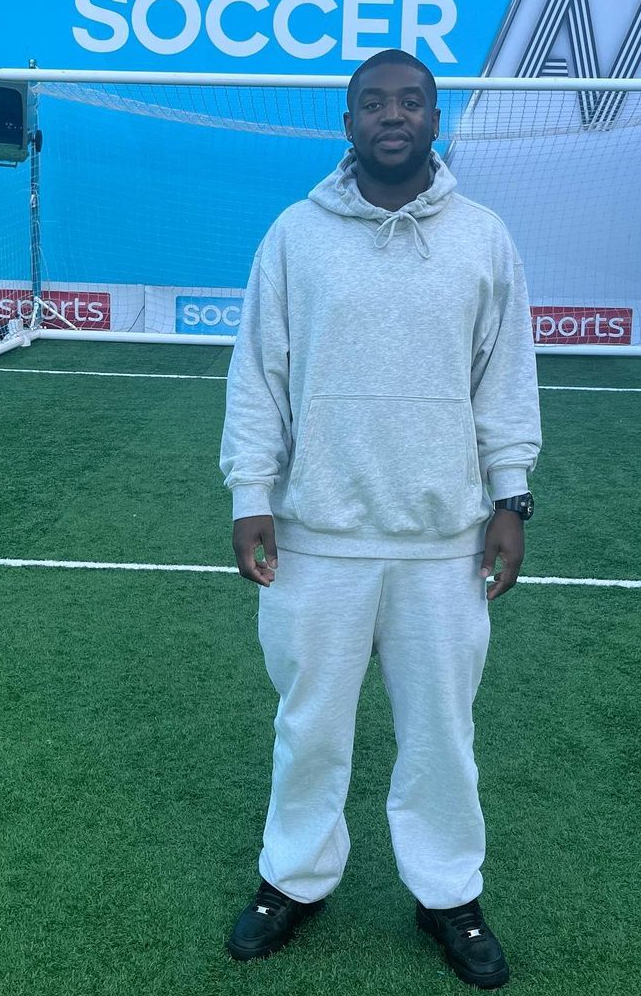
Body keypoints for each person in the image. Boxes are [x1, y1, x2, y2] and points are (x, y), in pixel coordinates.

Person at [218, 48, 542, 990]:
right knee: (309, 727)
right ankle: (293, 878)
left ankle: (448, 894)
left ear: (436, 118)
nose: (391, 116)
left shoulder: (484, 237)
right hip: (316, 539)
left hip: (445, 544)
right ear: (347, 122)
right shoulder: (294, 235)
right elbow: (259, 374)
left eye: (410, 102)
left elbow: (506, 378)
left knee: (442, 735)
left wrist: (511, 498)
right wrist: (250, 494)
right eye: (373, 103)